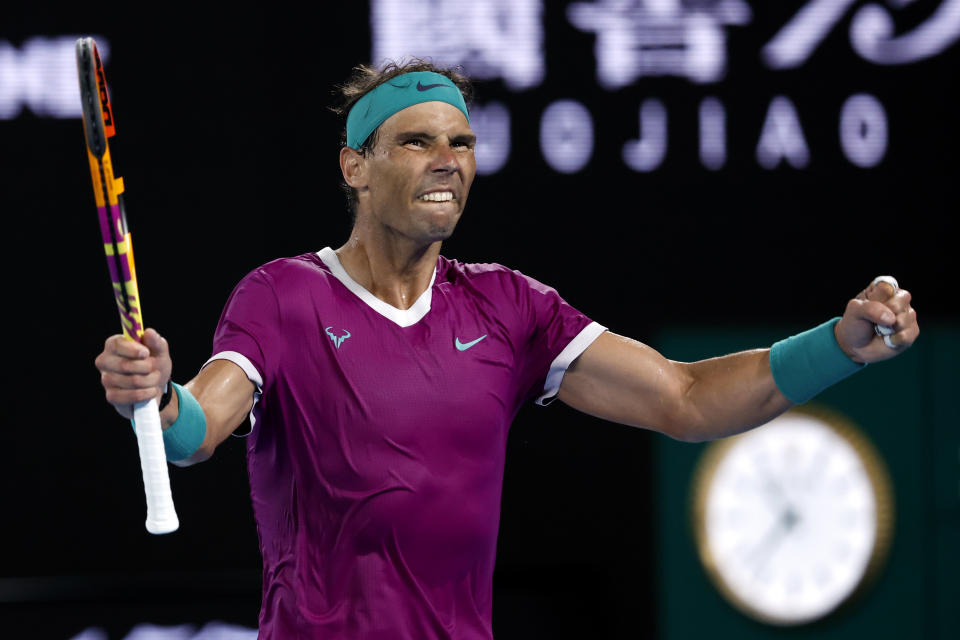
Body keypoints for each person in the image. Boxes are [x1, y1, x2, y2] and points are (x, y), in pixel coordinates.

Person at [94, 60, 919, 639]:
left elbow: (687, 400)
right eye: (415, 142)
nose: (447, 161)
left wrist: (841, 346)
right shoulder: (282, 296)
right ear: (356, 165)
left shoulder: (509, 308)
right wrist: (156, 397)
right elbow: (198, 430)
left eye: (462, 143)